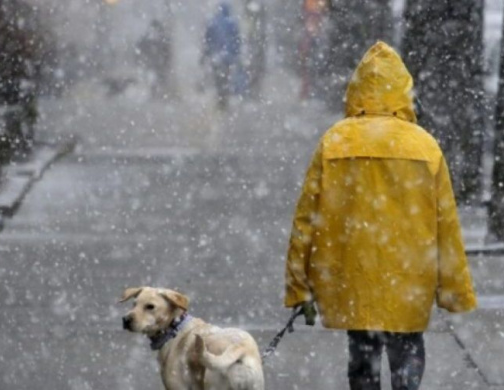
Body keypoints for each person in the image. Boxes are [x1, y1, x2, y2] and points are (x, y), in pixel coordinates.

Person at [284, 41, 477, 390]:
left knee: (362, 355)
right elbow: (445, 223)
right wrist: (454, 290)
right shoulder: (424, 146)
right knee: (407, 351)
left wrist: (300, 287)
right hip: (409, 275)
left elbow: (305, 220)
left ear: (356, 90)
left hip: (353, 274)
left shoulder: (335, 142)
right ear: (403, 90)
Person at [202, 2, 242, 110]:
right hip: (228, 58)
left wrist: (206, 54)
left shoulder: (213, 22)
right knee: (226, 77)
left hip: (216, 56)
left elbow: (207, 40)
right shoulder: (232, 23)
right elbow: (237, 41)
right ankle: (224, 97)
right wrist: (236, 54)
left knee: (217, 78)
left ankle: (220, 97)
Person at [137, 20, 171, 98]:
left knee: (156, 78)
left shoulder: (162, 40)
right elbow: (142, 48)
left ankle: (156, 92)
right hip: (152, 63)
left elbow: (166, 52)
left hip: (158, 64)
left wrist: (165, 61)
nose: (154, 32)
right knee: (152, 78)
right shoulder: (147, 40)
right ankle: (154, 92)